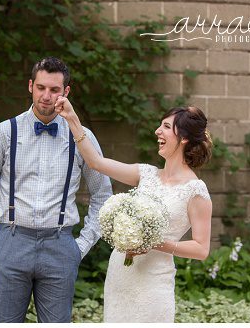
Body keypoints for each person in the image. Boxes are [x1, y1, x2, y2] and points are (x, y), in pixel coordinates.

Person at [0, 57, 113, 322]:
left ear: (66, 92)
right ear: (30, 86)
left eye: (54, 90)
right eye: (41, 88)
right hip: (11, 243)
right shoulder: (4, 133)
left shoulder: (83, 137)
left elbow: (103, 194)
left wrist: (81, 246)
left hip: (60, 246)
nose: (47, 96)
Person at [54, 97, 212, 322]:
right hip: (120, 277)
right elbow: (96, 162)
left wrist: (152, 243)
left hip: (153, 285)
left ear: (184, 138)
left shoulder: (195, 190)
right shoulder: (146, 174)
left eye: (166, 127)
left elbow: (201, 249)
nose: (157, 131)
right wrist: (72, 118)